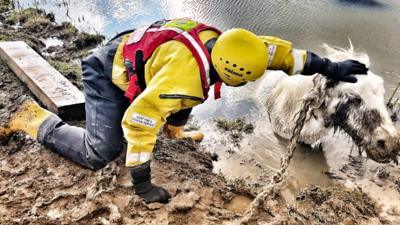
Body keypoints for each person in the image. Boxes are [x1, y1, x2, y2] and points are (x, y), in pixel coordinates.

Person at [0, 18, 368, 204]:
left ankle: (174, 127)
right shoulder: (183, 79)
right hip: (107, 70)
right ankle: (35, 121)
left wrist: (330, 68)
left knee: (189, 94)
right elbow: (139, 121)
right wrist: (143, 184)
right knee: (102, 152)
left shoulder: (238, 45)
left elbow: (282, 55)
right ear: (233, 73)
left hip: (142, 52)